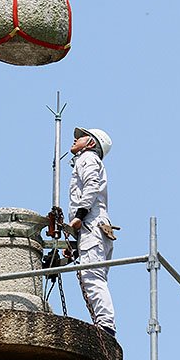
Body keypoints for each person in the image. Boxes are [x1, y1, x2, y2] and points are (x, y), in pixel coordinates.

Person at [68, 126, 117, 338]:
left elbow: (91, 185)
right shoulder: (88, 159)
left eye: (81, 137)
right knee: (94, 275)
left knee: (92, 275)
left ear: (90, 143)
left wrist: (80, 214)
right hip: (96, 227)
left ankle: (105, 325)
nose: (75, 139)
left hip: (92, 224)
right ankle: (104, 323)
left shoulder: (87, 158)